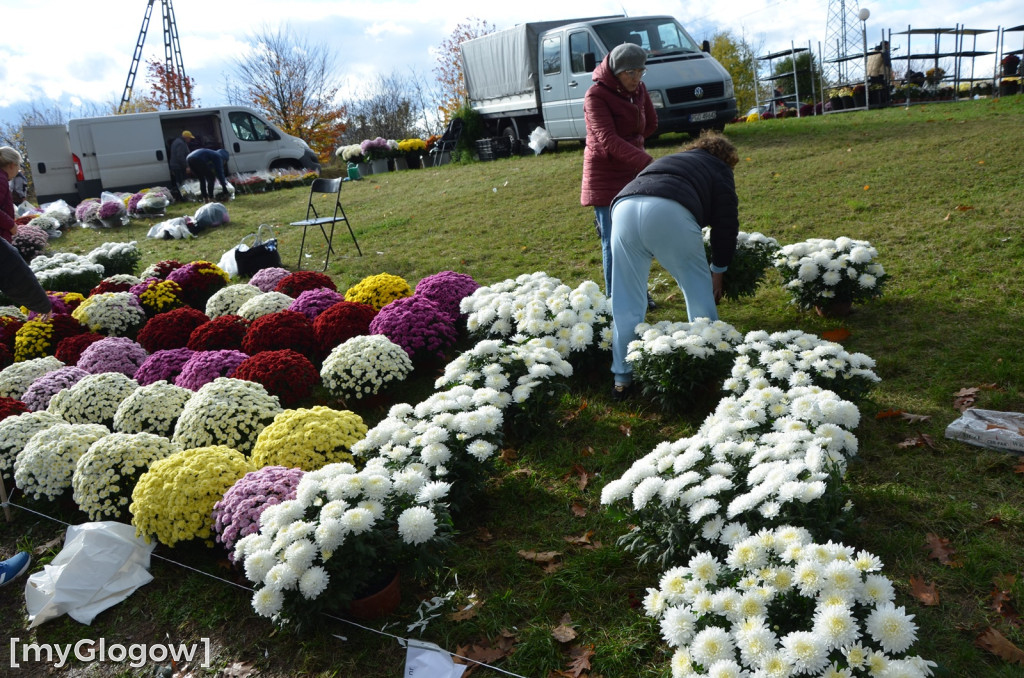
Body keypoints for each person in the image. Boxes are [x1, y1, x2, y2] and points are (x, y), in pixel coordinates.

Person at [608, 130, 739, 401]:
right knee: (698, 294)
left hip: (623, 207)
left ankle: (622, 380)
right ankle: (710, 367)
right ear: (727, 158)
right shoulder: (720, 169)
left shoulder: (672, 159)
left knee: (626, 301)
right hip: (670, 211)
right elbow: (726, 225)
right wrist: (718, 270)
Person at [580, 42, 658, 307]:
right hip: (605, 174)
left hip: (633, 170)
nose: (636, 79)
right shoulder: (595, 95)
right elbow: (608, 140)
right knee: (613, 240)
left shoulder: (640, 90)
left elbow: (651, 124)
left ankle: (639, 293)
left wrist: (635, 146)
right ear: (615, 71)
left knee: (637, 236)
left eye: (640, 72)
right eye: (630, 73)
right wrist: (645, 159)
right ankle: (617, 298)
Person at [0, 146, 24, 242]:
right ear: (12, 165)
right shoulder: (1, 180)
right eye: (18, 166)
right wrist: (11, 225)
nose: (18, 170)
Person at [168, 130, 194, 200]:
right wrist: (186, 166)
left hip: (176, 166)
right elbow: (180, 156)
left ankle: (181, 197)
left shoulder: (177, 141)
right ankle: (184, 197)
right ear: (186, 137)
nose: (190, 140)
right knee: (182, 183)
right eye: (189, 138)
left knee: (179, 182)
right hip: (179, 167)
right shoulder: (181, 143)